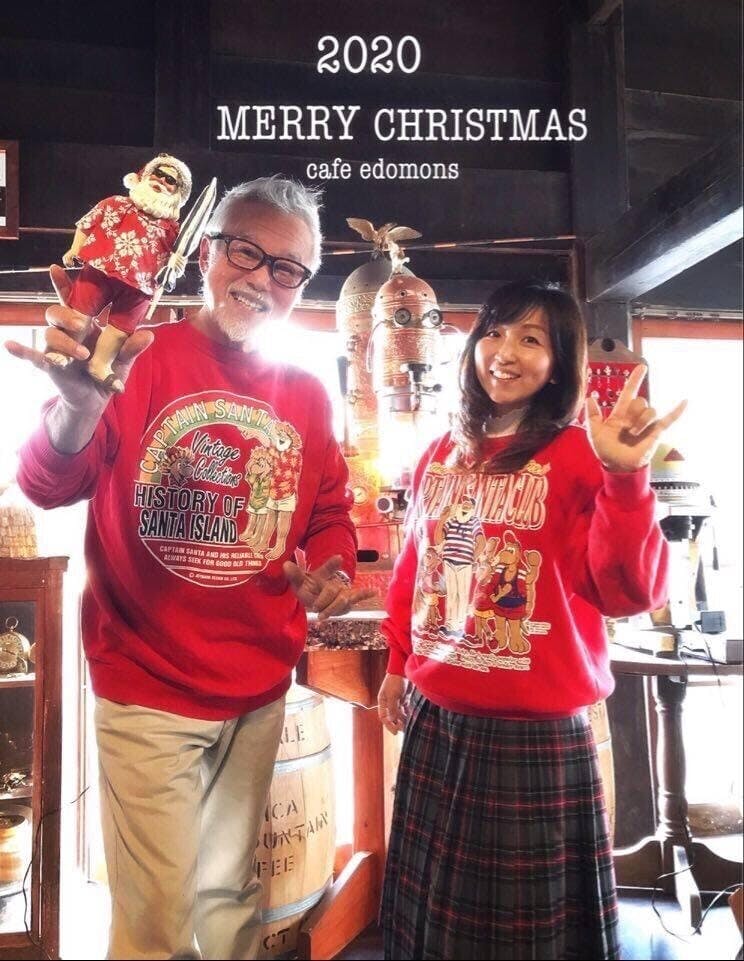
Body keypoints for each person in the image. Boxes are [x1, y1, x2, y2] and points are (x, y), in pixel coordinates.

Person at [6, 175, 372, 960]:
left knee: (230, 898)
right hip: (147, 683)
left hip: (257, 688)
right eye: (247, 252)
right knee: (157, 922)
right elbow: (46, 482)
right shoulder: (137, 357)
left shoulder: (307, 394)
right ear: (207, 253)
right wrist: (77, 407)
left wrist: (333, 566)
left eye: (288, 268)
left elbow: (329, 511)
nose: (263, 279)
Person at [376, 282, 686, 960]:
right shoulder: (440, 453)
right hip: (437, 718)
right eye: (494, 332)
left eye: (531, 338)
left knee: (528, 939)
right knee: (433, 926)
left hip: (535, 737)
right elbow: (416, 571)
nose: (505, 352)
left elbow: (628, 591)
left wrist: (626, 478)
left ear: (561, 360)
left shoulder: (581, 454)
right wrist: (399, 663)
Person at [51, 153, 192, 390]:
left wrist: (177, 264)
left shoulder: (173, 231)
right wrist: (75, 249)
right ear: (145, 175)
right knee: (79, 316)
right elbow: (87, 224)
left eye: (170, 180)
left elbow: (173, 265)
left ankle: (100, 364)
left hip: (141, 286)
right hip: (101, 268)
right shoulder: (116, 204)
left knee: (119, 331)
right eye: (158, 174)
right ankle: (66, 351)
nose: (161, 181)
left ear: (178, 193)